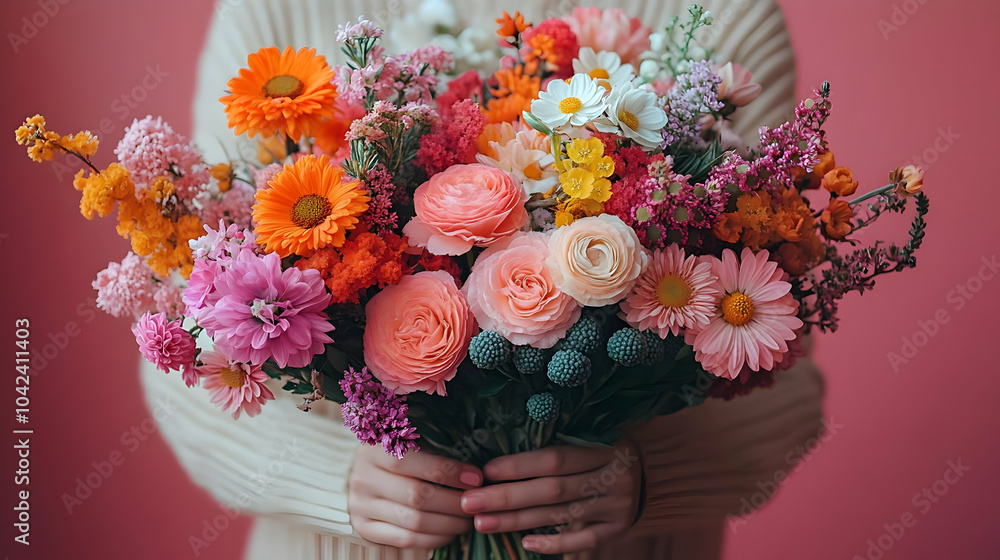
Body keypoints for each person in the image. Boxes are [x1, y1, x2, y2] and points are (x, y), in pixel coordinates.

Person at [142, 1, 825, 558]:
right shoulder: (273, 11)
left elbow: (779, 366)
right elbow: (194, 340)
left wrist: (647, 479)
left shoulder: (724, 15)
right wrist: (334, 481)